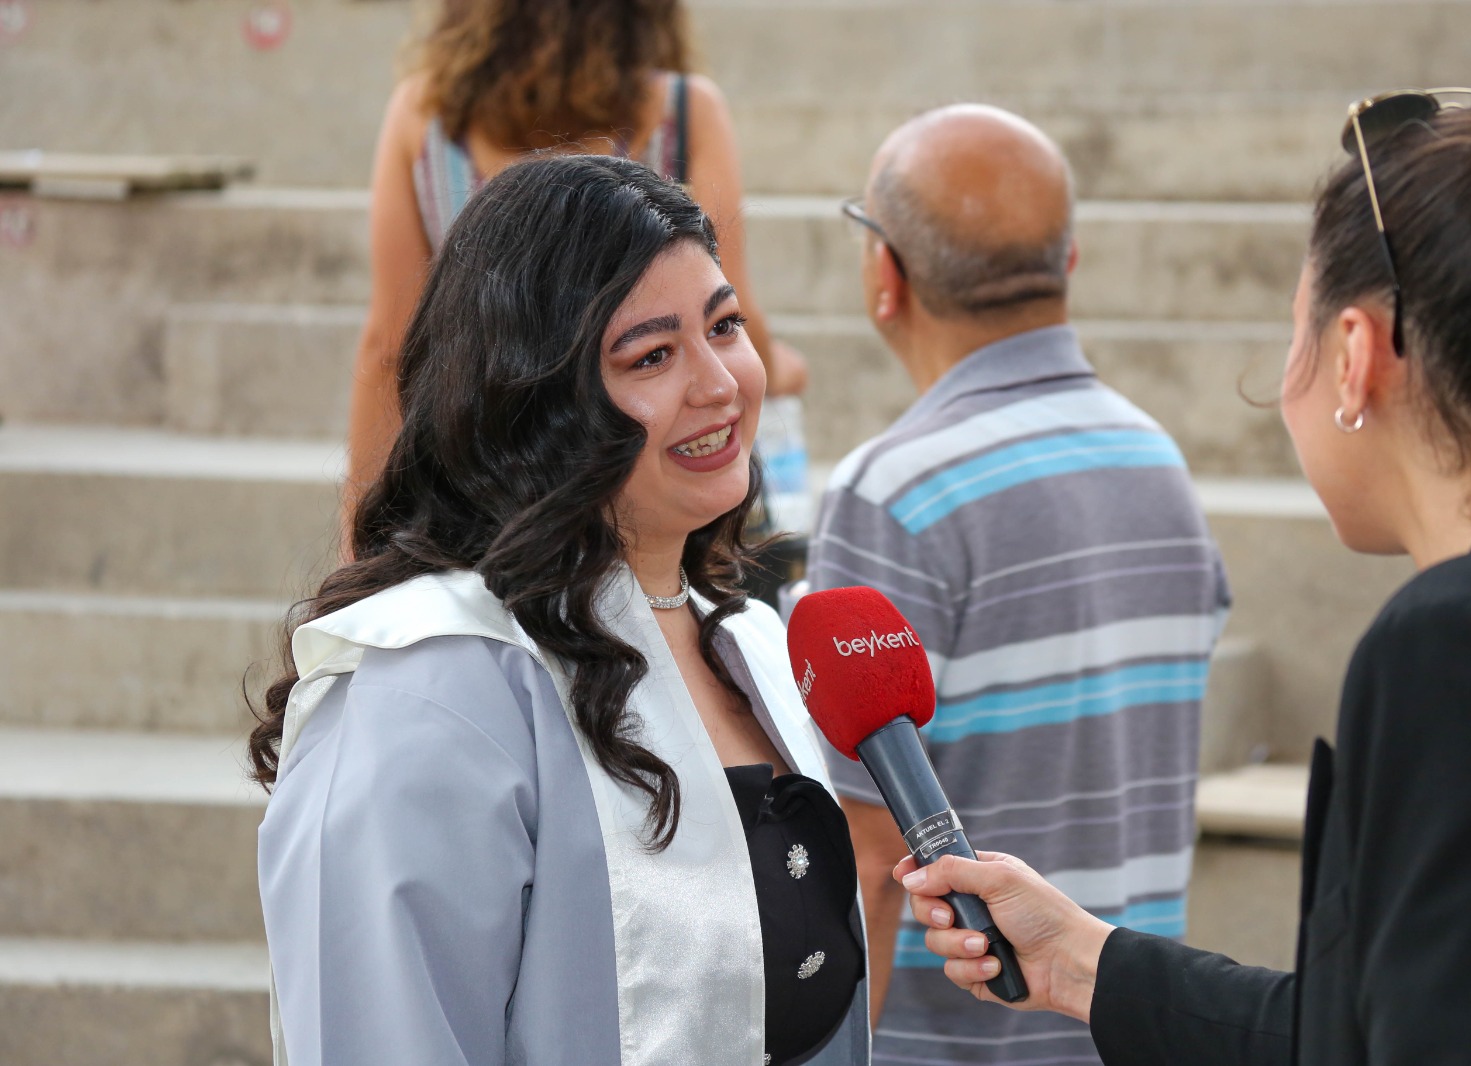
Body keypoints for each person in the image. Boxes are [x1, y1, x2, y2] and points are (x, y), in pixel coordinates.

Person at [895, 92, 1471, 1065]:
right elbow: (1395, 1021)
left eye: (1295, 331)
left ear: (1355, 357)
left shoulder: (1462, 639)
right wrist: (1082, 962)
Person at [250, 155, 867, 1066]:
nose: (719, 384)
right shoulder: (430, 691)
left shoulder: (747, 638)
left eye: (724, 326)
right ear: (535, 400)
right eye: (651, 355)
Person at [808, 104, 1230, 1066]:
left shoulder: (893, 493)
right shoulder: (1156, 460)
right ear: (1069, 261)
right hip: (1131, 1029)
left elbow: (870, 859)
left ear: (885, 275)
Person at [345, 0, 806, 542]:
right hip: (630, 469)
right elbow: (722, 299)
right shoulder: (681, 109)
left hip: (490, 461)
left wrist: (362, 531)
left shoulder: (426, 112)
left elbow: (391, 343)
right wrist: (778, 366)